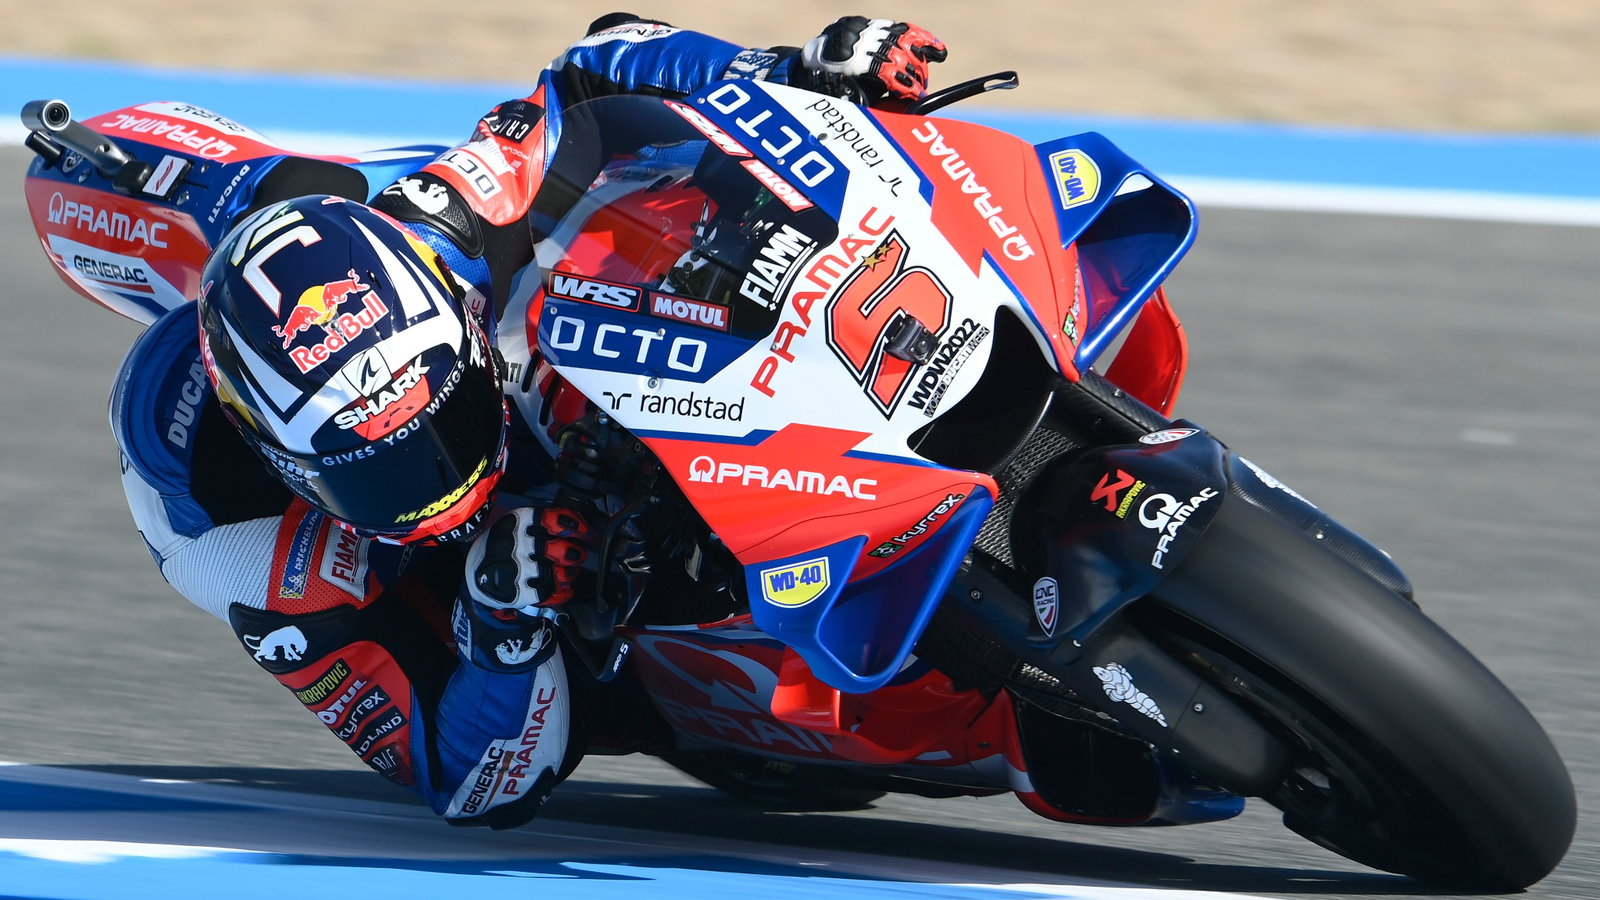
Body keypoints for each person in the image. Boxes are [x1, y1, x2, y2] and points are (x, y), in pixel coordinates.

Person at [111, 13, 948, 828]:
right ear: (285, 463)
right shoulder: (246, 553)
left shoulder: (444, 228)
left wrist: (789, 74)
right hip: (508, 597)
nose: (443, 485)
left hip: (526, 340)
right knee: (607, 680)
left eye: (446, 423)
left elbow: (598, 58)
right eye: (382, 472)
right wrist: (499, 628)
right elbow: (462, 783)